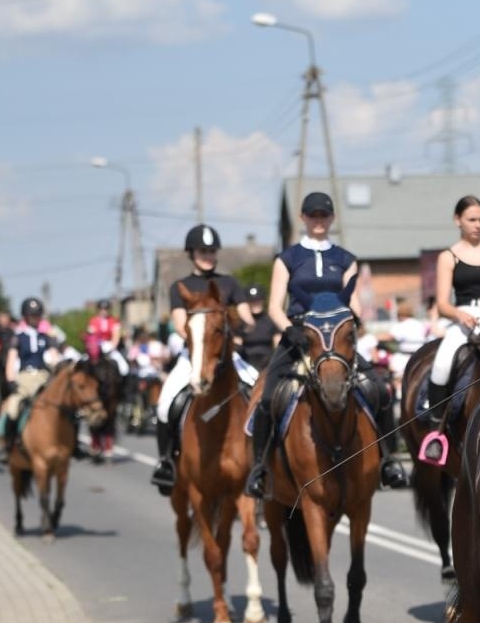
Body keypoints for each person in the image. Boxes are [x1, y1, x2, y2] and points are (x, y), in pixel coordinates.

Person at [245, 191, 408, 498]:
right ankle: (259, 469)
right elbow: (274, 307)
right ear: (303, 218)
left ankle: (388, 461)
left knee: (379, 389)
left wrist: (355, 327)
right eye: (313, 215)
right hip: (299, 338)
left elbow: (355, 305)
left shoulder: (345, 259)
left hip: (337, 340)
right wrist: (288, 330)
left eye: (324, 215)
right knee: (268, 397)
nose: (318, 220)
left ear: (332, 218)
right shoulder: (288, 258)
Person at [150, 223, 252, 494]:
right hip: (193, 356)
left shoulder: (229, 283)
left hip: (228, 356)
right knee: (164, 404)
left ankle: (262, 463)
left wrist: (240, 328)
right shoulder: (180, 286)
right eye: (201, 250)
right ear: (191, 253)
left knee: (260, 396)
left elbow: (245, 316)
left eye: (211, 250)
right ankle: (166, 463)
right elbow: (181, 323)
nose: (207, 255)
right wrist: (200, 335)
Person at [418, 195, 480, 465]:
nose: (477, 225)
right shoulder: (448, 256)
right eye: (471, 220)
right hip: (463, 315)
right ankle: (436, 432)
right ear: (457, 220)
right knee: (441, 362)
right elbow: (441, 303)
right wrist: (460, 314)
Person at [0, 297, 57, 459]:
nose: (34, 319)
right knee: (13, 408)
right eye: (31, 316)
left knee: (62, 406)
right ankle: (7, 444)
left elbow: (53, 356)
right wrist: (11, 381)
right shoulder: (18, 338)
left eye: (37, 316)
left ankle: (71, 443)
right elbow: (11, 360)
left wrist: (57, 364)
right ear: (25, 317)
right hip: (24, 378)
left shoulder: (46, 337)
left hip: (43, 377)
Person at [235, 284, 277, 372]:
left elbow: (277, 345)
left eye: (258, 300)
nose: (255, 304)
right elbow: (237, 346)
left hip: (267, 362)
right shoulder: (241, 322)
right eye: (252, 301)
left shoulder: (271, 320)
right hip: (246, 365)